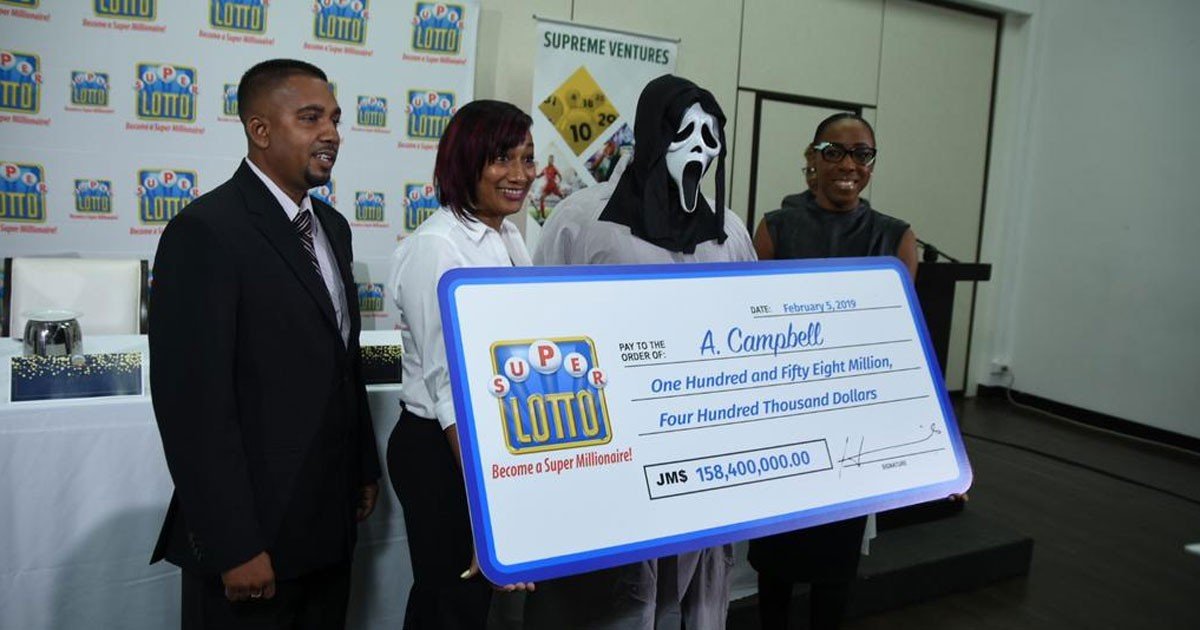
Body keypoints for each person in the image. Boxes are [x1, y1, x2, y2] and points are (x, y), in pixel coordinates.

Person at [148, 58, 380, 628]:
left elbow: (342, 362)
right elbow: (193, 408)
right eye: (310, 118)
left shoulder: (333, 228)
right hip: (254, 541)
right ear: (260, 129)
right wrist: (234, 545)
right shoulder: (206, 231)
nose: (331, 133)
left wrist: (362, 468)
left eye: (334, 118)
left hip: (328, 527)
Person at [527, 74, 755, 630]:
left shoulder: (727, 230)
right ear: (655, 134)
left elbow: (749, 325)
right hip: (610, 440)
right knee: (610, 593)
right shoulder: (584, 220)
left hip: (699, 439)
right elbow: (538, 328)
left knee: (692, 583)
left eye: (711, 134)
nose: (699, 147)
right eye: (685, 132)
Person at [748, 112, 916, 630]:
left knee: (835, 572)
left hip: (850, 427)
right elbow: (750, 322)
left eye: (862, 154)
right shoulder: (775, 227)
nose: (848, 164)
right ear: (812, 158)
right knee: (775, 566)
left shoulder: (895, 236)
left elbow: (900, 343)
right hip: (783, 419)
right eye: (834, 152)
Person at [387, 99, 537, 629]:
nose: (520, 174)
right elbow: (449, 384)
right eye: (502, 159)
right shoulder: (438, 247)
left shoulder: (510, 236)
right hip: (443, 451)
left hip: (492, 442)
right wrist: (484, 501)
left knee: (469, 606)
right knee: (450, 604)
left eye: (527, 158)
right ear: (465, 161)